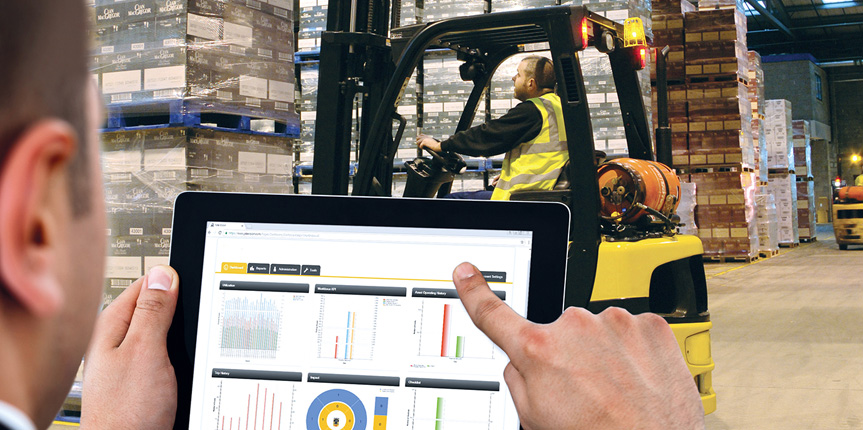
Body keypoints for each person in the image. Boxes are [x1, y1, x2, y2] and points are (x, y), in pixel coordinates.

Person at [0, 2, 704, 429]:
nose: (517, 76)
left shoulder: (532, 109)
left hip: (535, 205)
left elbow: (484, 139)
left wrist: (443, 146)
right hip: (553, 206)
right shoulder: (553, 114)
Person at [417, 56, 569, 200]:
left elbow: (487, 137)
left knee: (449, 202)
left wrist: (441, 145)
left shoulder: (532, 110)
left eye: (518, 74)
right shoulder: (557, 106)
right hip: (536, 191)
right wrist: (506, 175)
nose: (513, 78)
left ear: (531, 83)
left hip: (520, 200)